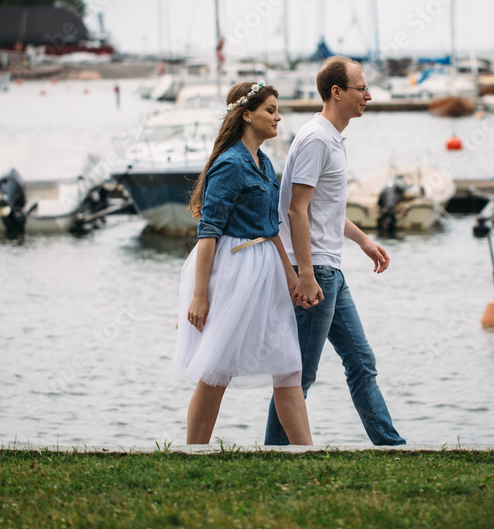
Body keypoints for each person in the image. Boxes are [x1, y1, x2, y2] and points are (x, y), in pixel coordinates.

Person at [264, 56, 406, 446]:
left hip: (331, 271)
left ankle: (391, 447)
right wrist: (306, 274)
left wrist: (363, 242)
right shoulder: (315, 139)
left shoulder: (332, 138)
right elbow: (296, 209)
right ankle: (276, 453)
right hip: (316, 273)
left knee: (361, 363)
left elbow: (324, 210)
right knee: (298, 377)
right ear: (337, 92)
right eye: (362, 89)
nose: (369, 96)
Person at [171, 80, 313, 445]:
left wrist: (291, 276)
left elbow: (271, 228)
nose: (278, 117)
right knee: (217, 369)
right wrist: (200, 295)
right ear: (247, 115)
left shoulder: (263, 161)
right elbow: (208, 232)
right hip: (234, 272)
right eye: (271, 110)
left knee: (288, 366)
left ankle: (305, 452)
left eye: (277, 110)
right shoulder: (230, 163)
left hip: (266, 273)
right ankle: (194, 451)